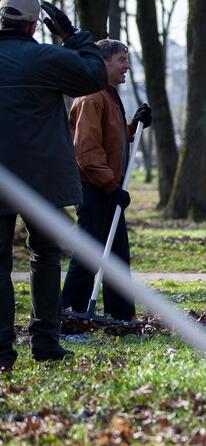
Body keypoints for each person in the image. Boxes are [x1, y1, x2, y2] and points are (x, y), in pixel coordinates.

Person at [0, 0, 107, 370]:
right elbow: (95, 75)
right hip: (41, 180)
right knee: (44, 256)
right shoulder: (46, 58)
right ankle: (45, 341)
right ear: (33, 27)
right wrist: (72, 35)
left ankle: (1, 351)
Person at [60, 39, 151, 322]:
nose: (127, 66)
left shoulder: (108, 96)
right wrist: (112, 186)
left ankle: (120, 316)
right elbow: (86, 151)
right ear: (104, 62)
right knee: (88, 255)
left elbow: (112, 140)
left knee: (116, 255)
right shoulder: (91, 97)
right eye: (121, 60)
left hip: (108, 189)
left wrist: (134, 126)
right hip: (94, 189)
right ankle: (70, 316)